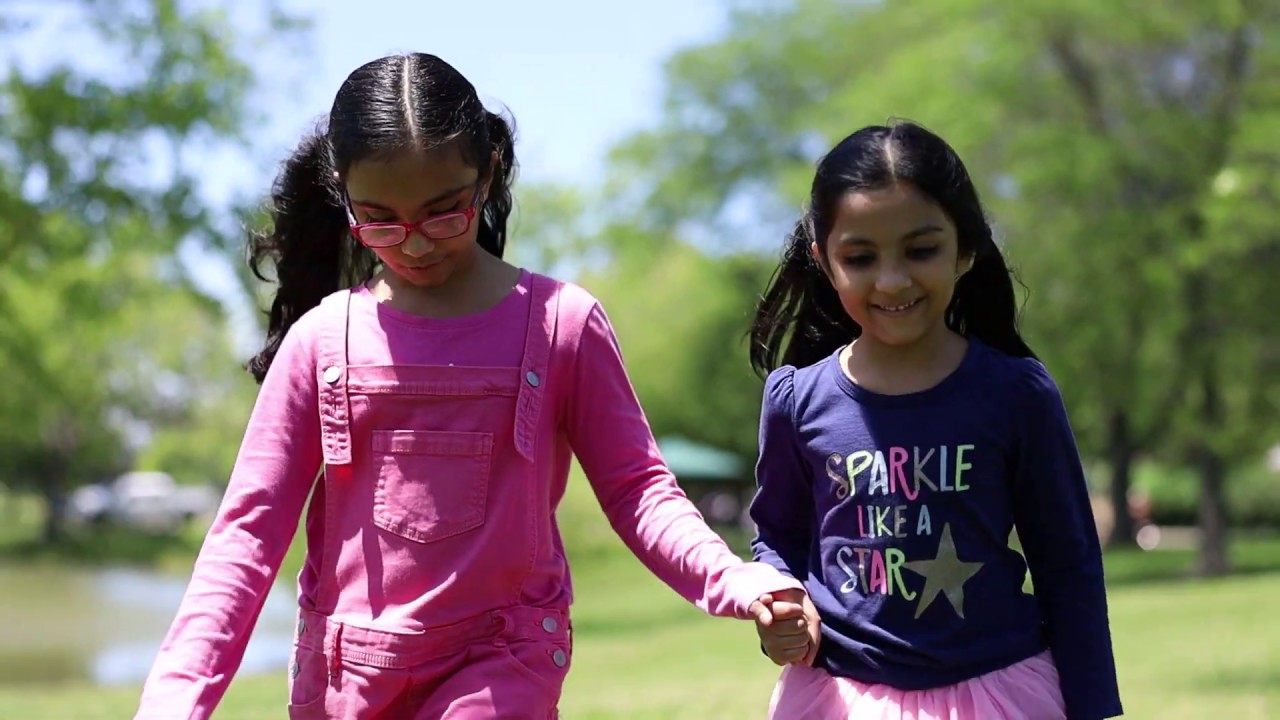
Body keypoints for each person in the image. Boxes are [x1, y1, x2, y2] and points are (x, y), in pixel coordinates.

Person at [133, 52, 801, 720]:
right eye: (381, 219)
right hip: (344, 681)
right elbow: (246, 539)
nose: (416, 244)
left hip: (502, 666)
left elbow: (638, 491)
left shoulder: (561, 325)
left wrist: (731, 578)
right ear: (342, 194)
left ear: (489, 172)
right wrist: (174, 700)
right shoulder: (321, 341)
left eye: (444, 212)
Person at [746, 121, 1122, 719]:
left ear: (965, 248)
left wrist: (1094, 707)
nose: (892, 280)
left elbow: (1069, 566)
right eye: (860, 257)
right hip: (839, 697)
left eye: (921, 250)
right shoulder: (795, 399)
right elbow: (778, 540)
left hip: (1000, 695)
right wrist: (778, 603)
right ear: (822, 258)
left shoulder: (1016, 393)